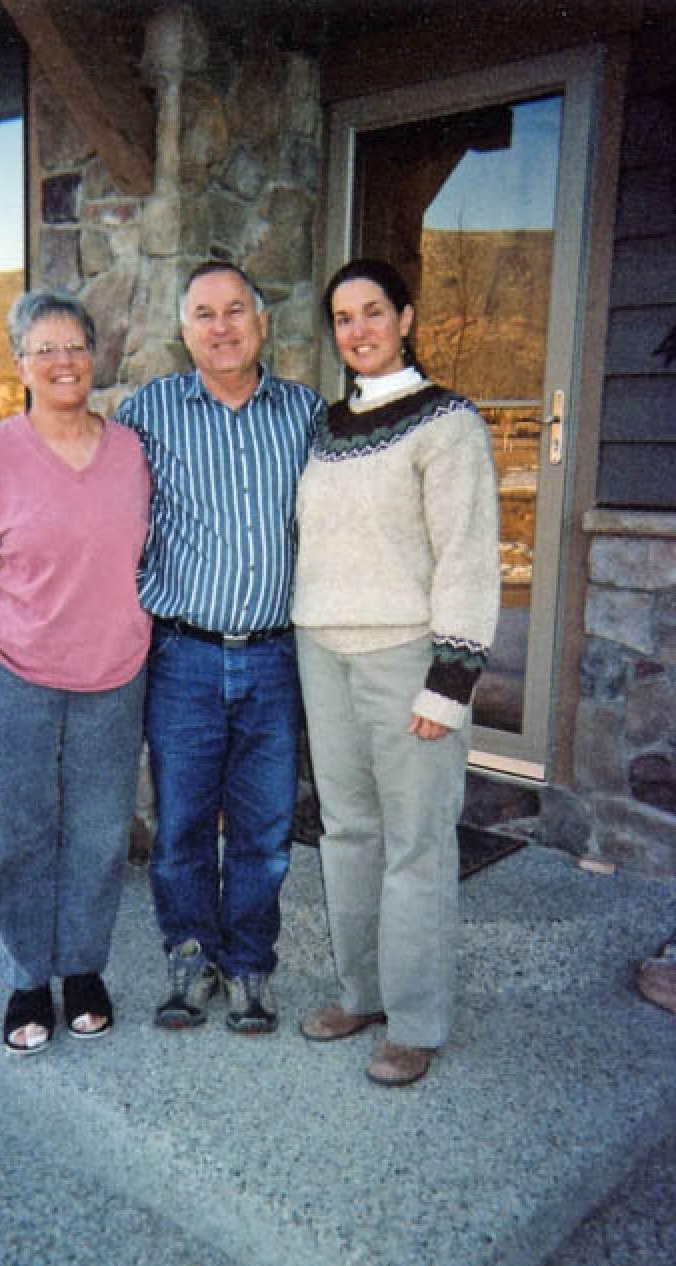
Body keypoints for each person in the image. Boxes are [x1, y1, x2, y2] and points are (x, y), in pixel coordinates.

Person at [292, 258, 500, 1086]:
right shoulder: (325, 428)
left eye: (373, 311)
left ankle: (415, 1021)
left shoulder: (448, 423)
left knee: (416, 842)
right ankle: (363, 993)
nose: (359, 330)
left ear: (406, 318)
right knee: (347, 832)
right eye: (344, 318)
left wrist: (450, 681)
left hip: (407, 655)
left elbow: (467, 555)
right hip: (322, 650)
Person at [0, 289, 151, 1055]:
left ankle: (82, 970)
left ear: (95, 357)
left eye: (75, 347)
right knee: (20, 832)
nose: (63, 362)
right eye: (44, 349)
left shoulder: (131, 453)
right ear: (19, 364)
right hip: (14, 671)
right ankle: (26, 978)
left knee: (98, 834)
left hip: (113, 675)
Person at [115, 261, 324, 1035]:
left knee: (265, 831)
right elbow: (91, 496)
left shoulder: (305, 413)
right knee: (181, 827)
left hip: (275, 657)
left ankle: (250, 965)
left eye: (236, 310)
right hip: (185, 658)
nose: (221, 327)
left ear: (262, 322)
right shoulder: (148, 411)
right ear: (184, 330)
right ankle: (190, 957)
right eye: (204, 313)